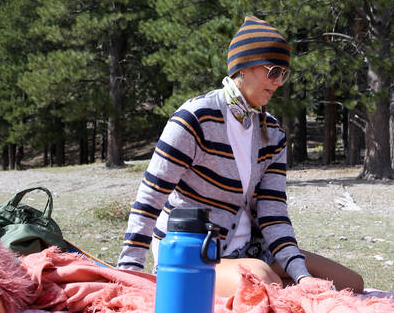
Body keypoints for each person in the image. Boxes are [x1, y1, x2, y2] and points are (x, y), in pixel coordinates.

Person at [117, 15, 364, 297]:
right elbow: (150, 199)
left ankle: (285, 288)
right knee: (263, 280)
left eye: (284, 74)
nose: (279, 82)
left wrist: (302, 275)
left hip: (252, 251)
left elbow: (274, 213)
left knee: (350, 284)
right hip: (193, 253)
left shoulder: (273, 132)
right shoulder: (194, 119)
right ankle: (277, 291)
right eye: (273, 71)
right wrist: (130, 272)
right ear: (244, 67)